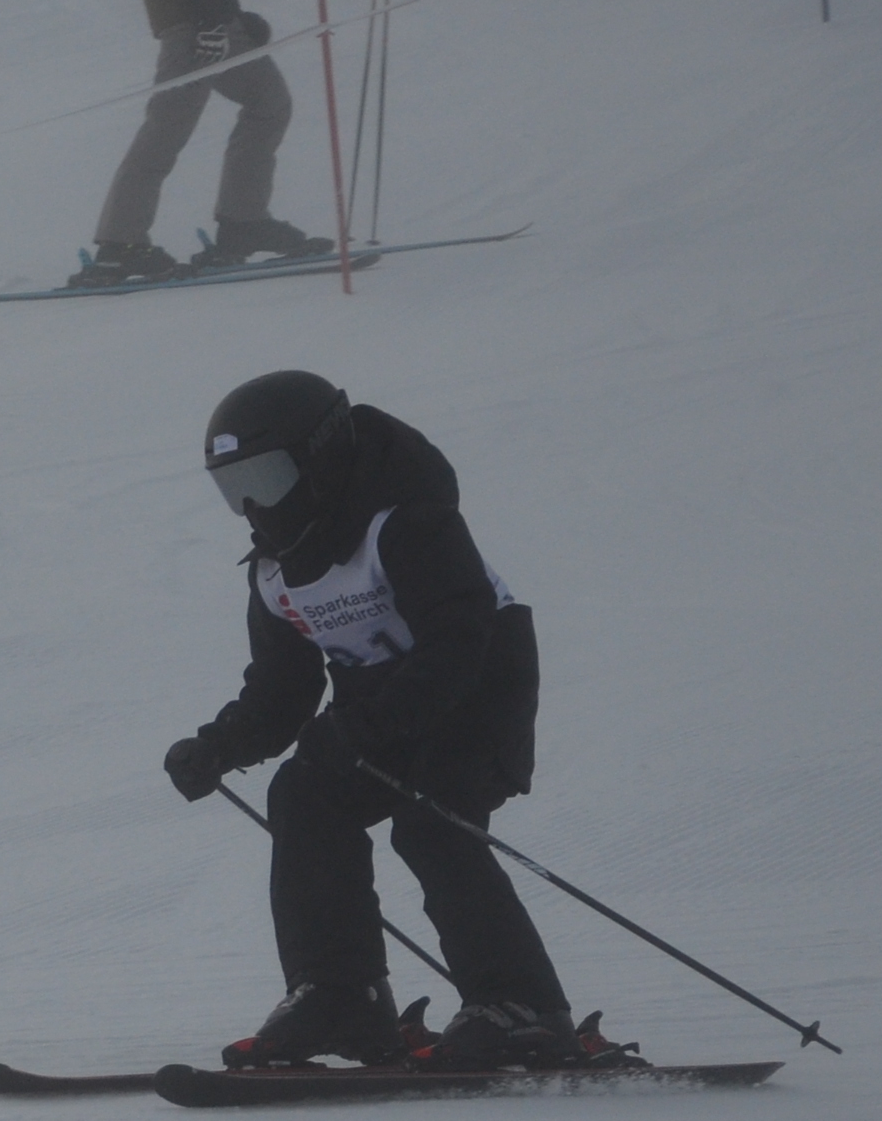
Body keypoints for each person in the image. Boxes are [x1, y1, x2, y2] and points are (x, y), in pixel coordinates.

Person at [159, 370, 583, 1071]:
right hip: (382, 707)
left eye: (267, 478)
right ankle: (339, 995)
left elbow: (458, 643)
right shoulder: (275, 574)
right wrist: (218, 748)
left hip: (481, 691)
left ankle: (522, 1007)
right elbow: (283, 691)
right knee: (304, 795)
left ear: (320, 459)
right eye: (236, 488)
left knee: (433, 821)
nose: (255, 506)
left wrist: (367, 725)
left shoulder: (406, 525)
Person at [68, 0, 328, 288]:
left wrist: (231, 16)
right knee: (167, 127)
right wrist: (210, 20)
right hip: (191, 23)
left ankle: (244, 222)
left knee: (269, 103)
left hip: (212, 17)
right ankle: (120, 244)